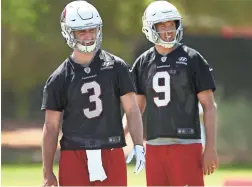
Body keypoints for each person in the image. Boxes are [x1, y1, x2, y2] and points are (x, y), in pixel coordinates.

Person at [41, 1, 145, 186]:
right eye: (81, 31)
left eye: (92, 30)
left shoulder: (117, 67)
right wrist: (47, 172)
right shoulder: (59, 78)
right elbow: (51, 127)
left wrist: (138, 143)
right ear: (68, 32)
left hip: (111, 149)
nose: (88, 36)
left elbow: (132, 110)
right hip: (74, 152)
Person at [127, 1, 219, 186]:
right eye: (162, 26)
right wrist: (123, 137)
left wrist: (210, 147)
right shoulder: (143, 63)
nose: (168, 30)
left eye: (172, 24)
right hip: (153, 145)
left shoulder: (192, 59)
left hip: (187, 143)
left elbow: (209, 105)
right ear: (150, 28)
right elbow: (135, 108)